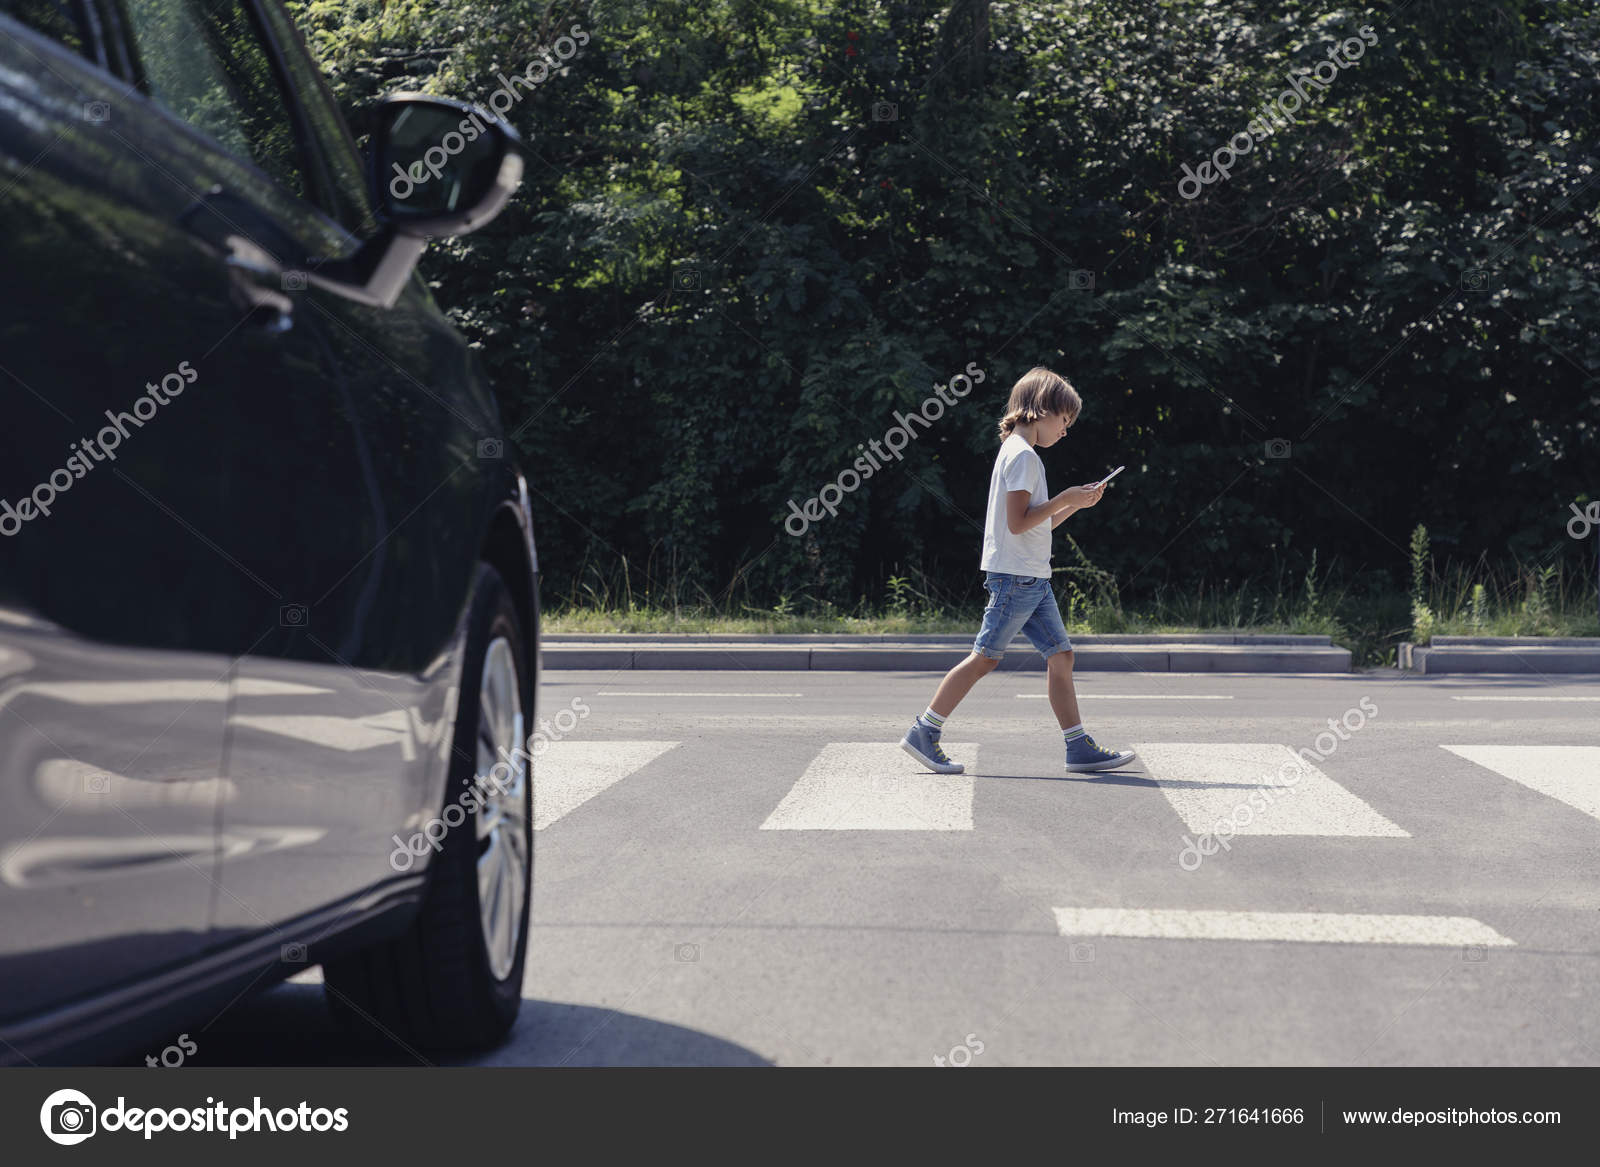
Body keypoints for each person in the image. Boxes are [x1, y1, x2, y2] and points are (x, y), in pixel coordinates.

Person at [899, 366, 1137, 775]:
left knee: (1061, 657)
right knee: (984, 659)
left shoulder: (1016, 450)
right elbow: (1019, 522)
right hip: (1017, 578)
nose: (1066, 431)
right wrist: (1064, 496)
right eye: (1064, 420)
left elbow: (1032, 524)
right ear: (1041, 410)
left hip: (1030, 577)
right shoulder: (1024, 456)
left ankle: (1077, 747)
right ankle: (924, 731)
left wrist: (1072, 505)